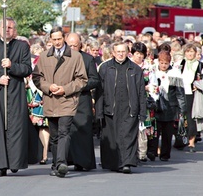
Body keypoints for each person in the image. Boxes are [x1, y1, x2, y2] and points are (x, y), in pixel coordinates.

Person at [0, 17, 32, 177]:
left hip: (15, 93)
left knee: (16, 128)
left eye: (10, 27)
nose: (7, 30)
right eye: (4, 27)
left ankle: (15, 162)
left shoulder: (22, 46)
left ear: (14, 30)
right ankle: (0, 165)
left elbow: (27, 68)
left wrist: (12, 66)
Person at [32, 27, 87, 178]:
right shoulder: (44, 57)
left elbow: (82, 79)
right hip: (50, 100)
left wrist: (65, 89)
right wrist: (48, 87)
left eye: (59, 39)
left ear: (64, 38)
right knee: (55, 135)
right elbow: (36, 77)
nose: (56, 42)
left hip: (67, 100)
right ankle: (56, 163)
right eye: (54, 39)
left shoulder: (75, 57)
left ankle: (62, 163)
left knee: (64, 131)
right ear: (50, 40)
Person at [95, 41, 146, 174]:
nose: (121, 54)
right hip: (110, 108)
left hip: (129, 108)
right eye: (118, 52)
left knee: (128, 137)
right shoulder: (105, 68)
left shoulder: (135, 69)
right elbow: (99, 92)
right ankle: (114, 163)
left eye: (123, 51)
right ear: (113, 53)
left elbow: (141, 92)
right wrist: (98, 112)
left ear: (128, 52)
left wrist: (142, 112)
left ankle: (127, 163)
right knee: (113, 138)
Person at [65, 33, 99, 171]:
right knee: (66, 132)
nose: (72, 48)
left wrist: (79, 85)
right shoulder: (59, 58)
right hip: (65, 100)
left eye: (75, 45)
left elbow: (94, 80)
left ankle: (84, 162)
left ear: (80, 45)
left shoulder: (88, 59)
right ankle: (67, 160)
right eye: (70, 45)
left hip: (82, 100)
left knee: (83, 131)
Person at [149, 51, 186, 161]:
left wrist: (182, 109)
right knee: (155, 131)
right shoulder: (153, 71)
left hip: (170, 106)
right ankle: (153, 151)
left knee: (167, 133)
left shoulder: (175, 73)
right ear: (158, 62)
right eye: (161, 63)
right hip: (156, 105)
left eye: (166, 63)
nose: (164, 65)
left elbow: (180, 93)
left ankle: (165, 154)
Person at [178, 43, 203, 152]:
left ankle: (191, 143)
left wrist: (198, 85)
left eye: (192, 51)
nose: (190, 54)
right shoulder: (181, 63)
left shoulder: (200, 65)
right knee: (180, 117)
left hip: (193, 94)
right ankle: (179, 140)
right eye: (188, 51)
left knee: (191, 118)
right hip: (181, 93)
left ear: (195, 53)